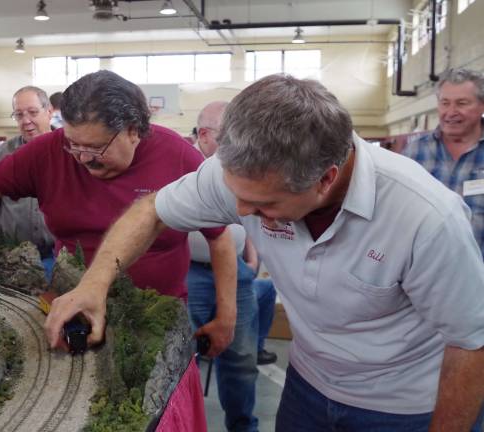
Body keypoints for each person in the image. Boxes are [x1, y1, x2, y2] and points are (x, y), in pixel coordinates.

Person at [45, 74, 484, 432]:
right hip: (307, 390)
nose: (240, 213)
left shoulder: (427, 218)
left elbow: (471, 344)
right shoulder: (241, 174)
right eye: (236, 194)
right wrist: (94, 284)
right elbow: (151, 211)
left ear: (325, 179)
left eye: (264, 206)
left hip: (402, 409)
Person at [0, 71, 238, 430]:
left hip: (156, 316)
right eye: (74, 144)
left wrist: (226, 315)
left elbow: (219, 238)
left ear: (135, 130)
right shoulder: (50, 150)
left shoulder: (177, 156)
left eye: (96, 147)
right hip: (73, 310)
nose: (83, 158)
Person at [187, 100, 276, 431]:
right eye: (232, 136)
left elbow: (250, 212)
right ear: (207, 135)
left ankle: (243, 426)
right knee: (183, 360)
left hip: (236, 271)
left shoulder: (241, 165)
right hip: (191, 271)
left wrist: (251, 258)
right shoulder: (184, 165)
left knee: (241, 360)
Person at [403, 68, 484, 256]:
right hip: (423, 273)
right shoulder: (414, 153)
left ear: (482, 106)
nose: (451, 112)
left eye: (462, 103)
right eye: (445, 103)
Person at [0, 86, 56, 279]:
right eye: (18, 115)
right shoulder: (4, 153)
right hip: (11, 257)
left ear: (49, 112)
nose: (26, 121)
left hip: (58, 257)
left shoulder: (69, 150)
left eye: (33, 113)